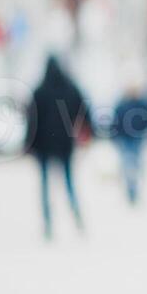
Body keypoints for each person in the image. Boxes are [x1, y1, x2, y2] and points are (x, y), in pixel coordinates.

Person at [24, 53, 94, 241]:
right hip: (65, 144)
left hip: (44, 146)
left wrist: (27, 145)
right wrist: (90, 132)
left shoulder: (39, 91)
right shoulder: (70, 88)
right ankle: (77, 218)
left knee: (45, 185)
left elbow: (31, 121)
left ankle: (48, 223)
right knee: (69, 183)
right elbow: (85, 111)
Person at [110, 80, 147, 206]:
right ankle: (131, 190)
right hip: (125, 139)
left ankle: (134, 190)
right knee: (128, 165)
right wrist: (114, 136)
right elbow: (115, 121)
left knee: (135, 164)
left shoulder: (143, 103)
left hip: (138, 138)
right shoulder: (122, 104)